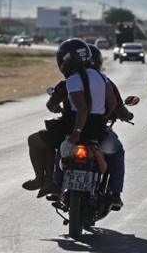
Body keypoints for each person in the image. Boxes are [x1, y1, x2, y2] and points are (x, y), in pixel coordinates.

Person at [22, 38, 116, 198]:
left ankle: (43, 180)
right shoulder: (102, 78)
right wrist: (102, 118)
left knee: (35, 140)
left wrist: (76, 133)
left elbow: (82, 109)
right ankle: (113, 191)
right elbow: (112, 103)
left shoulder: (72, 80)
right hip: (97, 130)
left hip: (73, 127)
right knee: (115, 153)